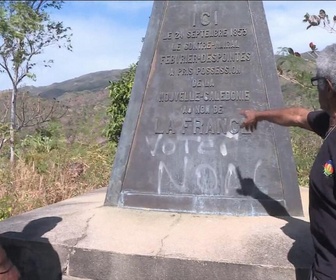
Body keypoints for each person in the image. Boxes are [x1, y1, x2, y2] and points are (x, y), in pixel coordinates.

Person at [240, 43, 336, 280]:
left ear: (329, 87)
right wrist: (259, 115)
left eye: (318, 82)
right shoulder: (329, 124)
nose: (317, 89)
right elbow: (297, 115)